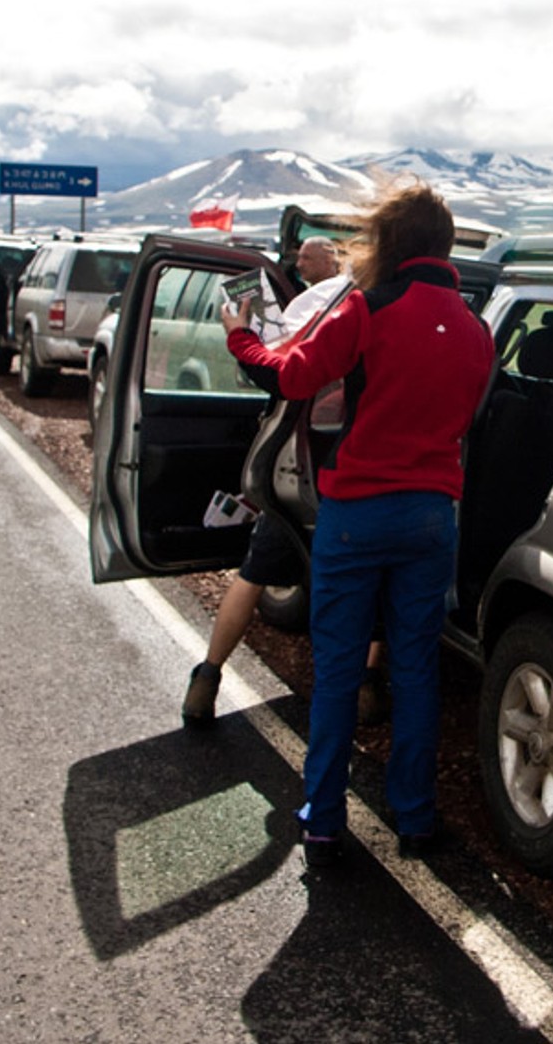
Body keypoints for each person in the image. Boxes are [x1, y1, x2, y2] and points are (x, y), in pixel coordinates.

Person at [222, 182, 492, 870]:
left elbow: (291, 378)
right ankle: (415, 815)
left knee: (340, 667)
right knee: (415, 667)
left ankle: (323, 817)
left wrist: (242, 338)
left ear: (390, 243)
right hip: (432, 516)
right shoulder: (474, 329)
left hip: (357, 512)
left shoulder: (368, 311)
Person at [181, 235, 385, 726]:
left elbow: (281, 371)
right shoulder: (398, 309)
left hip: (298, 463)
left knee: (254, 572)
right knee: (373, 585)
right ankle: (364, 686)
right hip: (369, 472)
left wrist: (239, 335)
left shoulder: (325, 302)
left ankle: (207, 678)